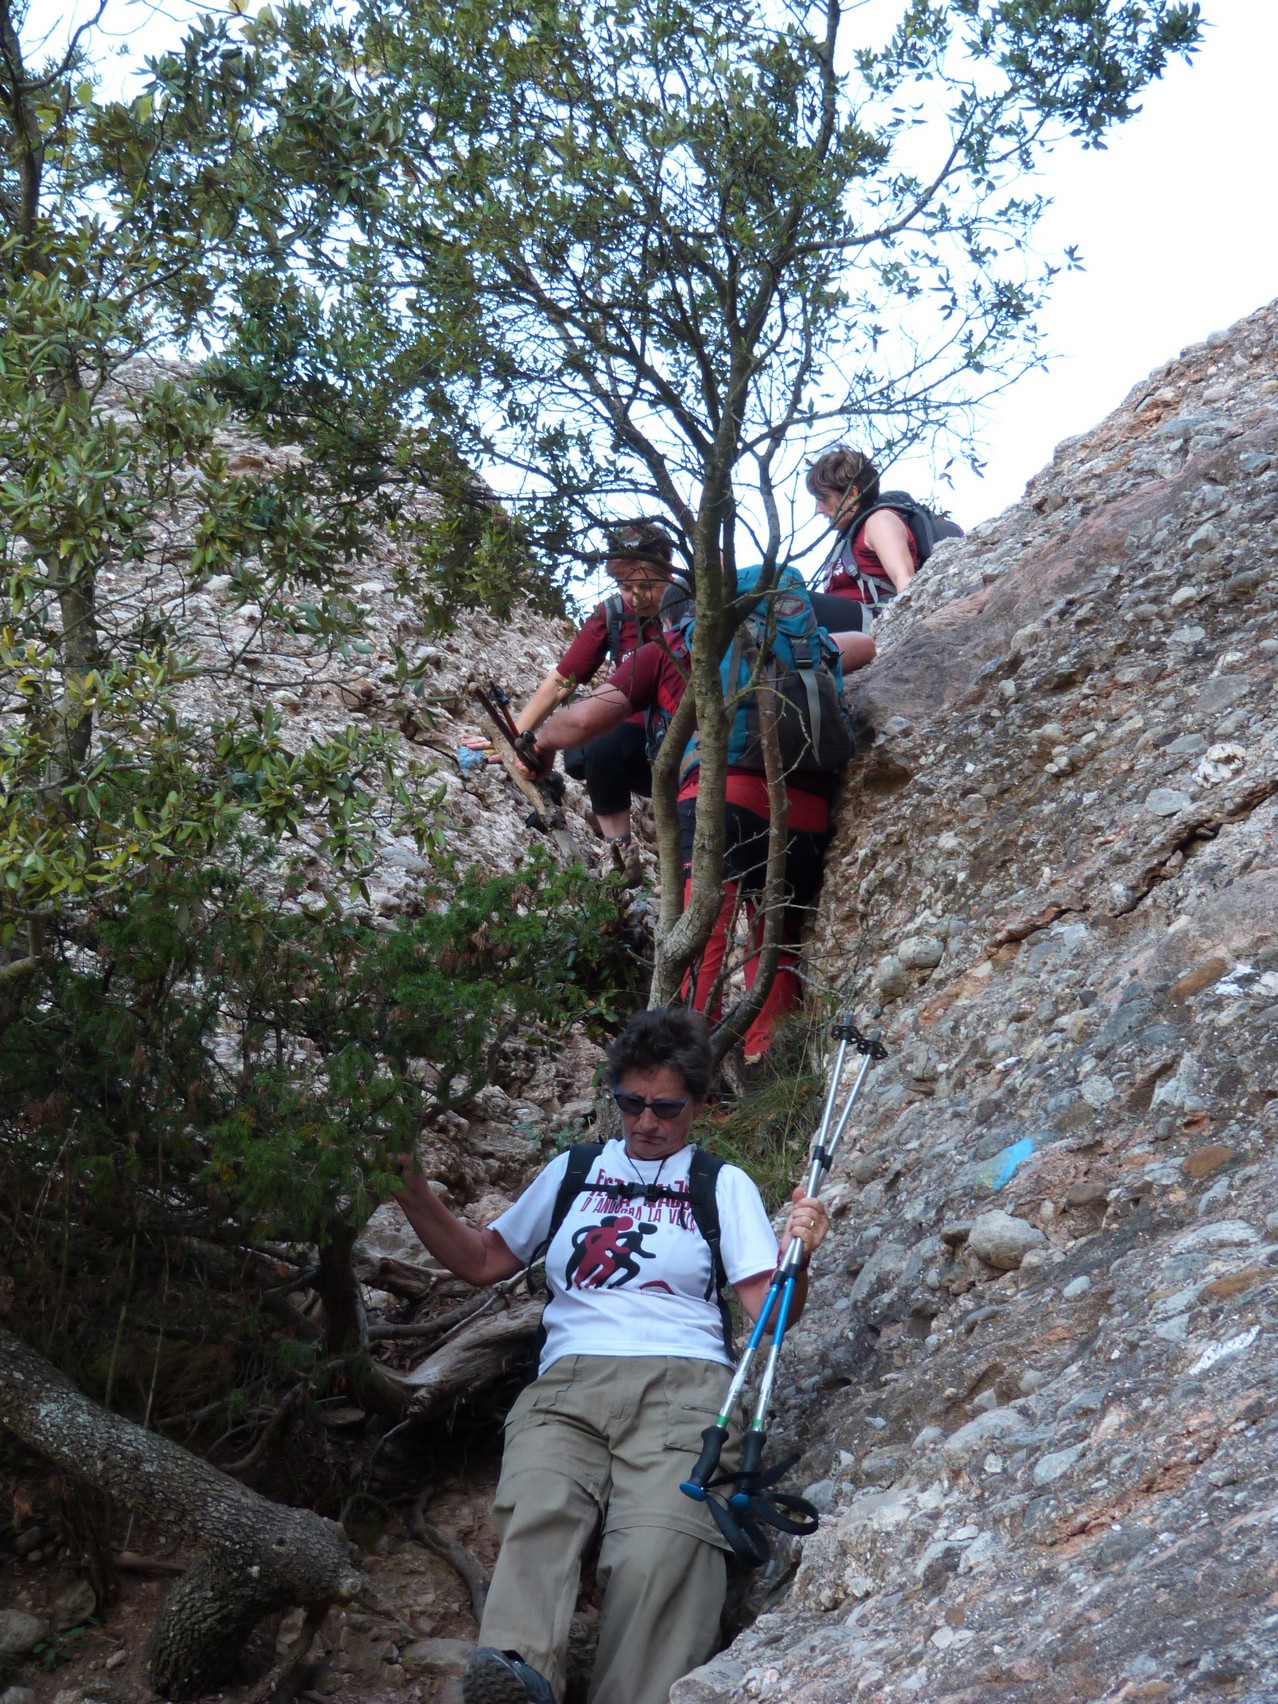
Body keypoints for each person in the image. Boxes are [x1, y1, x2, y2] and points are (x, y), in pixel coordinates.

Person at [394, 1006, 829, 1704]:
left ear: (698, 1104)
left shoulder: (722, 1185)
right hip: (567, 1383)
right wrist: (412, 1193)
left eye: (666, 1108)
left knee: (662, 1548)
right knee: (538, 1508)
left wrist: (797, 1258)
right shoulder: (573, 1171)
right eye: (631, 1103)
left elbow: (769, 1315)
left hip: (683, 1386)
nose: (645, 1122)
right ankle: (516, 1674)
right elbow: (483, 1259)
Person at [516, 584, 838, 1064]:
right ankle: (772, 1069)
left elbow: (581, 721)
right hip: (809, 809)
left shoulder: (669, 649)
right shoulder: (792, 642)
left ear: (673, 621)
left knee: (700, 943)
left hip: (722, 801)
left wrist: (541, 744)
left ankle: (689, 1083)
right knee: (776, 940)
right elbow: (864, 646)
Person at [464, 521, 689, 860]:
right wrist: (514, 736)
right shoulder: (614, 615)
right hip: (637, 747)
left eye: (645, 585)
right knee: (597, 741)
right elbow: (562, 681)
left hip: (690, 744)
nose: (635, 597)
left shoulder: (695, 609)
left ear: (668, 570)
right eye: (625, 586)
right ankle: (620, 854)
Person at [804, 445, 917, 651]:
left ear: (852, 494)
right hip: (850, 631)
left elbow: (904, 578)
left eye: (823, 498)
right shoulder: (848, 536)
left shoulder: (879, 521)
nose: (818, 509)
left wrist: (908, 638)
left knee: (789, 601)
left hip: (875, 623)